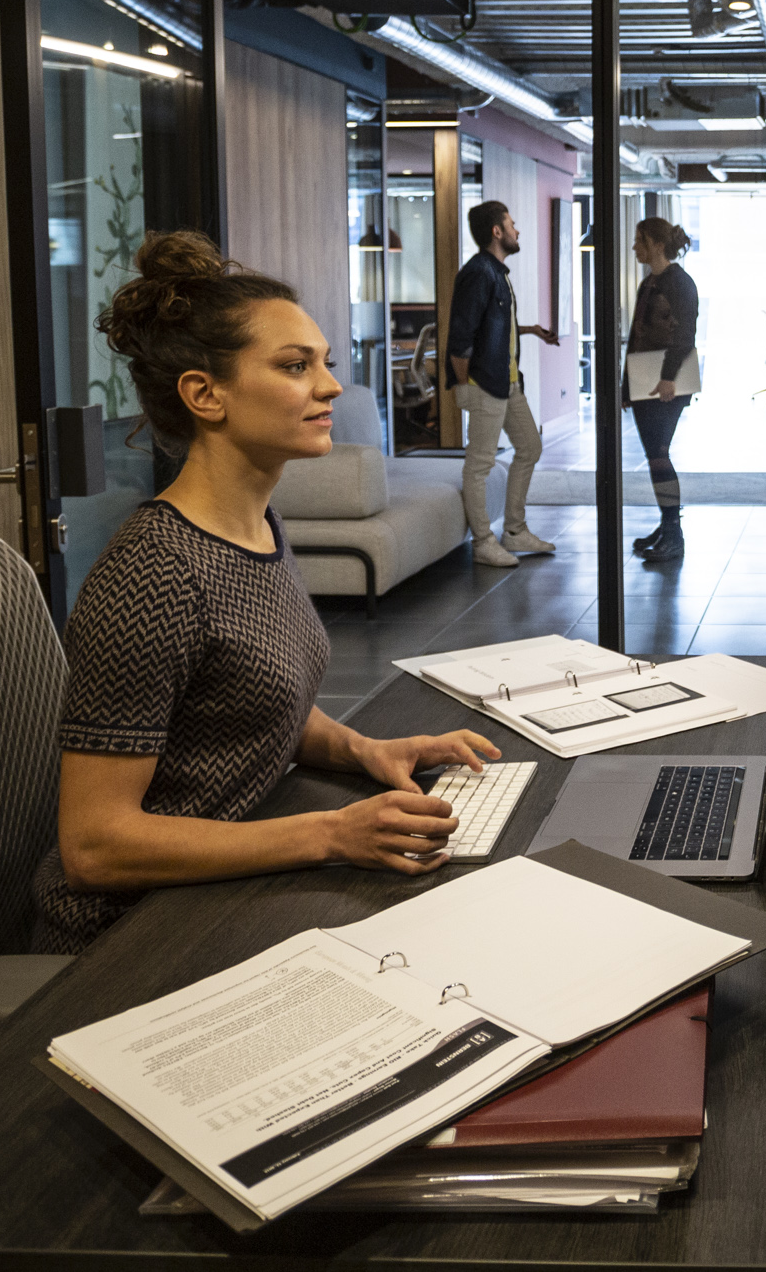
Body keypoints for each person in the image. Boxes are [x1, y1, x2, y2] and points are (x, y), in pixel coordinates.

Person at [33, 231, 500, 954]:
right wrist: (331, 833)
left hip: (231, 883)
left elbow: (250, 697)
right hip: (130, 941)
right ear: (204, 394)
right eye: (294, 366)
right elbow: (95, 847)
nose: (331, 387)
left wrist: (364, 750)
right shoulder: (154, 572)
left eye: (324, 364)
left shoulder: (257, 525)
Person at [447, 200, 560, 567]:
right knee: (479, 464)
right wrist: (464, 387)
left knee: (530, 447)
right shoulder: (479, 272)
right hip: (485, 384)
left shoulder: (497, 272)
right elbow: (461, 336)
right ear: (497, 231)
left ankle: (514, 530)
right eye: (512, 223)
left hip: (508, 382)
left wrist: (529, 330)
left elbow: (491, 324)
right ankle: (483, 542)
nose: (518, 229)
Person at [626, 217, 699, 565]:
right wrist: (627, 386)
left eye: (639, 240)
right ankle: (667, 526)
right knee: (655, 455)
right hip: (645, 381)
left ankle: (674, 533)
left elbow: (685, 336)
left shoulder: (680, 283)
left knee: (659, 454)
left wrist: (669, 377)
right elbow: (637, 335)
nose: (635, 246)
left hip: (666, 384)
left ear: (656, 243)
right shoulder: (650, 283)